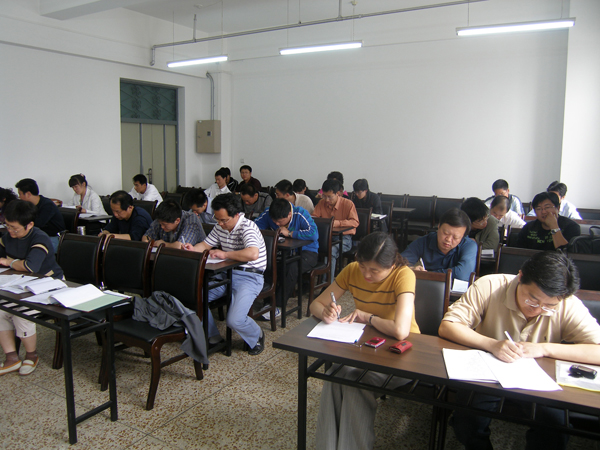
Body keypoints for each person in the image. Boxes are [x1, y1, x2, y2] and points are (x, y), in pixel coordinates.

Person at [439, 251, 600, 450]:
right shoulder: (490, 285)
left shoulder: (567, 304)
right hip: (487, 373)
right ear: (521, 277)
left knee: (555, 428)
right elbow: (448, 325)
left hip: (538, 380)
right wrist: (492, 344)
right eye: (532, 300)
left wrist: (544, 349)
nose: (537, 309)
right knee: (467, 420)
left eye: (548, 306)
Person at [310, 232, 420, 450]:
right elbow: (316, 304)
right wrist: (326, 313)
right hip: (367, 348)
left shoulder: (404, 275)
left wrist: (368, 317)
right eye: (363, 266)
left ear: (391, 265)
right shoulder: (352, 270)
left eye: (375, 271)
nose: (366, 274)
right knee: (333, 376)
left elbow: (401, 331)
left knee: (355, 384)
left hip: (401, 354)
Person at [183, 193, 266, 355]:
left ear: (236, 215)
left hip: (250, 276)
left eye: (224, 220)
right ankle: (213, 338)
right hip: (226, 274)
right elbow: (205, 245)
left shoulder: (247, 227)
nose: (220, 224)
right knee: (196, 298)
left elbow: (252, 254)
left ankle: (257, 335)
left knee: (234, 320)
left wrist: (225, 254)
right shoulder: (220, 226)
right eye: (217, 219)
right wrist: (193, 249)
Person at [0, 200, 64, 376]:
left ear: (29, 225)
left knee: (21, 309)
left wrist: (8, 262)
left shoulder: (39, 237)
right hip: (20, 283)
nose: (10, 231)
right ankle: (11, 357)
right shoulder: (7, 237)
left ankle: (31, 355)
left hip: (49, 284)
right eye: (7, 226)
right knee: (1, 309)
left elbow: (30, 266)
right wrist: (12, 263)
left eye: (14, 228)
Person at [254, 198, 319, 318]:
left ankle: (277, 306)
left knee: (291, 267)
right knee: (268, 264)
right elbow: (254, 227)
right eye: (274, 221)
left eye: (279, 222)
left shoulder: (300, 213)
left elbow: (314, 234)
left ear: (289, 214)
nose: (276, 224)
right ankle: (267, 303)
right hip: (283, 252)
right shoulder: (269, 212)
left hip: (308, 252)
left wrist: (290, 233)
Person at [401, 208, 477, 281]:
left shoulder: (469, 246)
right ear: (439, 226)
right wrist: (412, 269)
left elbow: (462, 274)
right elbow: (398, 264)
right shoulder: (424, 242)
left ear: (463, 236)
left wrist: (426, 275)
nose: (448, 239)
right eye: (445, 233)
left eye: (455, 237)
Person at [312, 179, 359, 278]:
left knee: (331, 251)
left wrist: (337, 223)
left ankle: (327, 284)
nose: (326, 200)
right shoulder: (321, 203)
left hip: (344, 239)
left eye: (329, 197)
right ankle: (308, 281)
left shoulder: (348, 204)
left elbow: (355, 222)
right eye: (324, 196)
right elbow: (314, 219)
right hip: (325, 238)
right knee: (307, 247)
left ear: (338, 194)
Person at [15, 178, 65, 251]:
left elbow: (37, 224)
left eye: (20, 194)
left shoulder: (47, 205)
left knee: (25, 248)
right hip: (39, 236)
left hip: (53, 238)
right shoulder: (30, 205)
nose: (19, 197)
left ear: (28, 194)